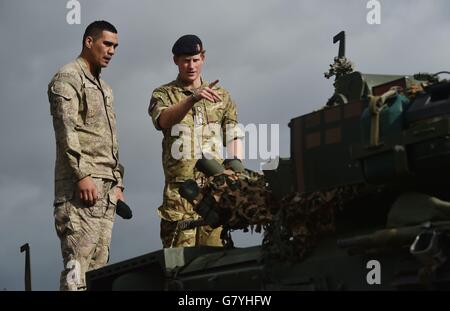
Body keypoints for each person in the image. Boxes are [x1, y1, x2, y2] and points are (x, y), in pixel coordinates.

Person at [47, 20, 125, 291]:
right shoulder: (68, 77)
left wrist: (118, 182)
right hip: (80, 192)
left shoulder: (106, 88)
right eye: (107, 44)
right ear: (89, 42)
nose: (112, 50)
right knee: (76, 270)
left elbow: (109, 139)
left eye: (115, 46)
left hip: (106, 190)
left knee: (99, 273)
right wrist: (81, 176)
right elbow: (66, 131)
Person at [148, 34, 244, 248]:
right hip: (181, 195)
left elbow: (233, 132)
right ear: (176, 61)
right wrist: (192, 98)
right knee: (179, 266)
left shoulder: (222, 95)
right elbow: (163, 120)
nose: (191, 66)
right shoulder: (164, 93)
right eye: (185, 60)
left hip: (215, 193)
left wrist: (235, 166)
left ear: (203, 58)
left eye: (195, 59)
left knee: (216, 261)